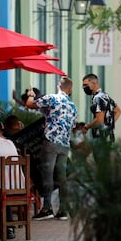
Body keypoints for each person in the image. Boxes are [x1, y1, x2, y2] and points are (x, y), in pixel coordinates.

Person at [26, 77, 77, 220]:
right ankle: (63, 211)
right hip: (64, 145)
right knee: (62, 178)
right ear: (70, 89)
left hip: (51, 142)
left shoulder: (52, 98)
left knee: (47, 175)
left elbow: (30, 105)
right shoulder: (73, 107)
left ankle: (47, 208)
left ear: (57, 86)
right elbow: (70, 126)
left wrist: (31, 95)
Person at [81, 73, 121, 142]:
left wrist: (87, 127)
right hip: (109, 136)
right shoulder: (105, 95)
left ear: (94, 83)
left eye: (86, 85)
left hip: (101, 138)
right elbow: (118, 111)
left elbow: (99, 120)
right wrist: (109, 124)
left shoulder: (98, 98)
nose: (84, 88)